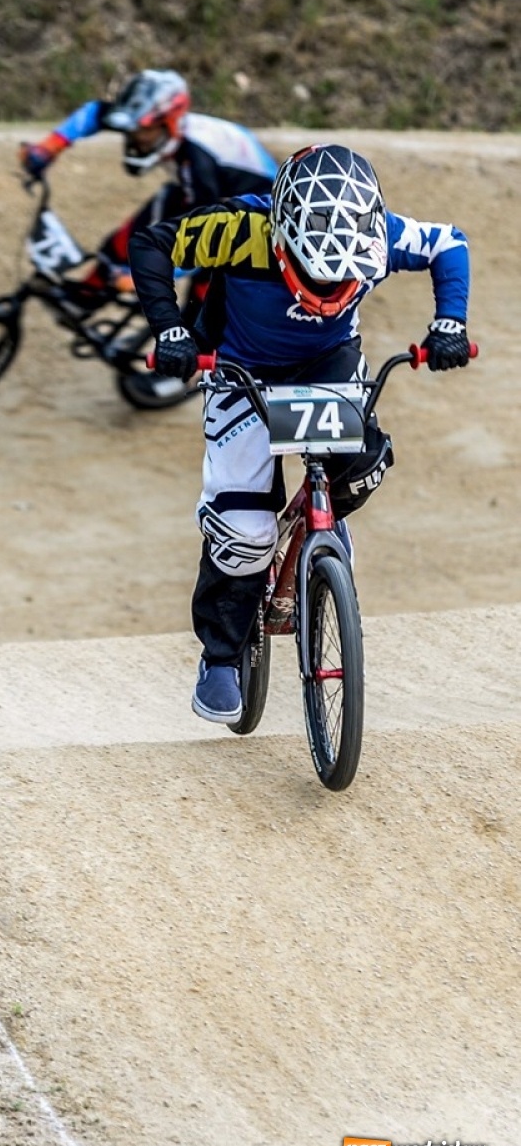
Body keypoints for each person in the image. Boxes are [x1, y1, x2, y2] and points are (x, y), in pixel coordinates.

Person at [127, 143, 471, 724]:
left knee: (363, 465)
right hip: (239, 369)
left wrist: (449, 321)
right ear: (283, 236)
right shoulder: (241, 228)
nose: (328, 286)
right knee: (243, 534)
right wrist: (171, 332)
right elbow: (153, 243)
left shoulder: (382, 234)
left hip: (327, 363)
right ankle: (220, 656)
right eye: (314, 271)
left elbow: (448, 243)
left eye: (346, 276)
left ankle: (322, 528)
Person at [18, 68, 278, 316]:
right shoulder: (174, 138)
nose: (134, 140)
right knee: (128, 239)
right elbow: (96, 113)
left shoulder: (200, 162)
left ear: (170, 124)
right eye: (131, 132)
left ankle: (197, 350)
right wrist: (49, 147)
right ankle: (87, 297)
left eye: (143, 132)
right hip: (205, 191)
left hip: (255, 215)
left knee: (205, 289)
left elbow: (207, 241)